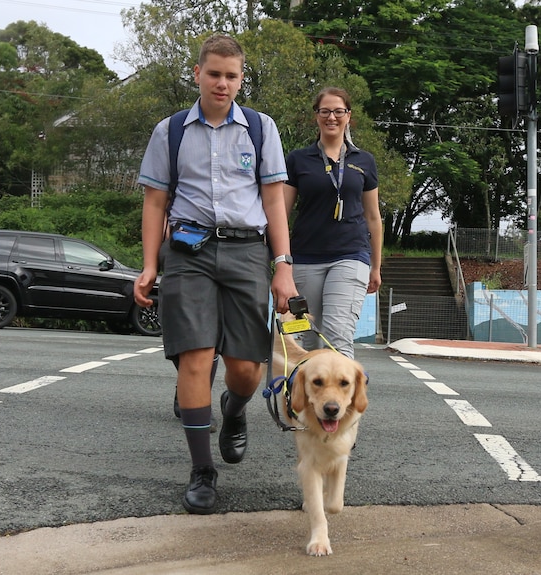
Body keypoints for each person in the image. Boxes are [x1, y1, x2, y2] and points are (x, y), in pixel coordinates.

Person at [133, 34, 297, 515]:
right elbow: (155, 202)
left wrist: (282, 266)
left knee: (246, 369)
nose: (222, 83)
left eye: (231, 75)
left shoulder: (261, 130)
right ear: (198, 74)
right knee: (196, 358)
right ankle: (202, 471)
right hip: (189, 250)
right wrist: (149, 265)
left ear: (241, 78)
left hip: (248, 252)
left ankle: (235, 408)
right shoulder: (172, 131)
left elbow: (273, 201)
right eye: (214, 74)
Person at [283, 87, 383, 359]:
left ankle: (341, 402)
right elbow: (281, 211)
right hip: (305, 257)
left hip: (351, 255)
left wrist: (376, 266)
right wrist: (280, 261)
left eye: (339, 111)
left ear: (348, 116)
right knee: (307, 338)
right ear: (316, 116)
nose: (332, 117)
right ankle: (304, 402)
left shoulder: (364, 161)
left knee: (337, 337)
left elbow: (373, 217)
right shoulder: (298, 159)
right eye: (325, 111)